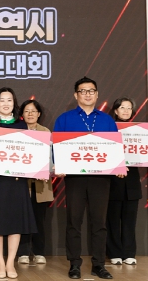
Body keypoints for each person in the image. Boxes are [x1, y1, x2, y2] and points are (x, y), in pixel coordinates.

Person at [53, 76, 117, 280]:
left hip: (101, 178)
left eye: (91, 91)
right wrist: (57, 164)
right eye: (83, 91)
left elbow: (115, 148)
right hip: (75, 177)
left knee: (99, 222)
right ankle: (74, 264)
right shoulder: (64, 119)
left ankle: (99, 264)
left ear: (97, 94)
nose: (87, 94)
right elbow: (56, 146)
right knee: (74, 221)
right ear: (76, 95)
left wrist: (119, 164)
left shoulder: (107, 120)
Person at [0, 87, 36, 280]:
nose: (6, 103)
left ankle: (11, 262)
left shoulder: (21, 125)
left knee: (15, 222)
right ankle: (0, 262)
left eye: (9, 100)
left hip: (16, 181)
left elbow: (29, 152)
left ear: (14, 103)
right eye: (2, 100)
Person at [106, 98, 148, 266]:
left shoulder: (139, 131)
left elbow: (146, 153)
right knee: (112, 221)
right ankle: (114, 253)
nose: (126, 111)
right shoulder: (108, 130)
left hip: (131, 183)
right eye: (122, 107)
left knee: (129, 221)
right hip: (112, 182)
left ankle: (129, 253)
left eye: (129, 108)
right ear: (115, 110)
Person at [16, 99, 54, 265]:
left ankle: (39, 252)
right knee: (22, 219)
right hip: (21, 184)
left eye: (33, 111)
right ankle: (23, 252)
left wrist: (47, 170)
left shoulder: (46, 132)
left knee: (39, 219)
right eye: (27, 111)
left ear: (39, 114)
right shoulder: (17, 132)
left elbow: (51, 157)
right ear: (22, 115)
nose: (30, 114)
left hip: (41, 184)